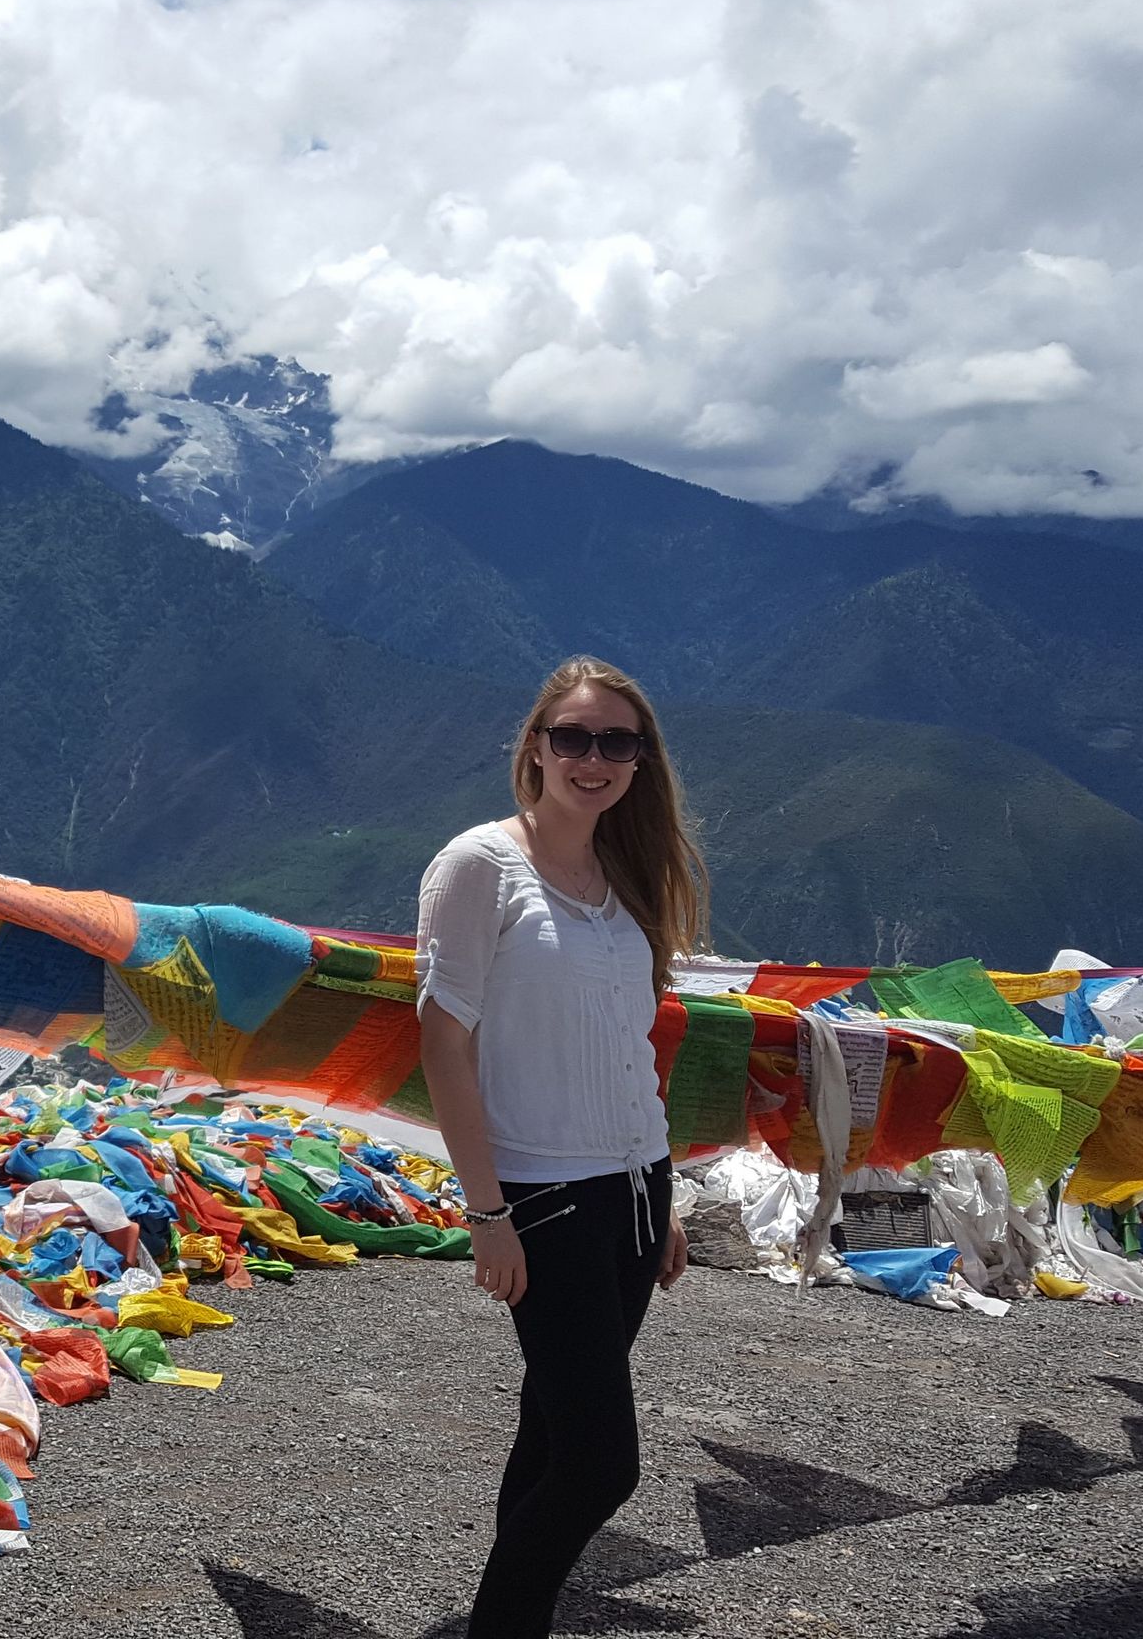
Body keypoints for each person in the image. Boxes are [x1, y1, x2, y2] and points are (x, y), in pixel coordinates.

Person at [416, 654, 710, 1639]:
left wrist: (660, 1200)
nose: (593, 758)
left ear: (640, 759)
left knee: (552, 1436)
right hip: (544, 1198)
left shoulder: (624, 876)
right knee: (600, 1464)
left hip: (630, 1188)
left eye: (615, 741)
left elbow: (629, 1047)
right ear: (536, 746)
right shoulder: (479, 866)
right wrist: (486, 1212)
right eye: (574, 737)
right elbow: (443, 1043)